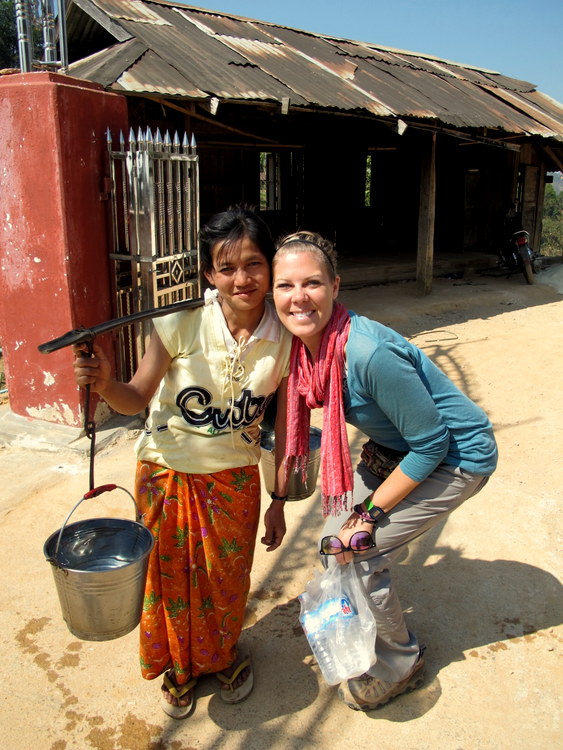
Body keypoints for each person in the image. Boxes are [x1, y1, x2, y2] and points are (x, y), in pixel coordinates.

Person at [73, 207, 292, 719]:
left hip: (235, 478)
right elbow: (136, 397)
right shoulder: (179, 322)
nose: (243, 279)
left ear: (271, 265)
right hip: (166, 473)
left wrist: (279, 498)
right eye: (227, 267)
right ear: (208, 274)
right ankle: (179, 664)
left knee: (226, 578)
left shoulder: (285, 334)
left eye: (255, 264)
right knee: (169, 580)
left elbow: (287, 426)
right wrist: (106, 384)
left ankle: (219, 655)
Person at [267, 231, 498, 711]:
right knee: (332, 546)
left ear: (335, 285)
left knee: (357, 549)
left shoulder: (367, 354)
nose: (298, 297)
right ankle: (363, 617)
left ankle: (400, 664)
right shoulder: (302, 350)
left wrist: (368, 514)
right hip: (397, 450)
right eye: (284, 286)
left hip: (454, 456)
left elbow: (432, 442)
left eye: (312, 283)